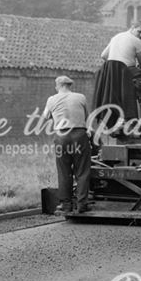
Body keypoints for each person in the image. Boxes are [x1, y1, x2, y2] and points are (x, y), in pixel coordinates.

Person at [41, 75, 92, 214]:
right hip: (80, 135)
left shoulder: (51, 99)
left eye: (55, 86)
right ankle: (82, 204)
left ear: (58, 86)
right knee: (82, 171)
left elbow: (45, 117)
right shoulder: (81, 97)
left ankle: (66, 205)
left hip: (62, 136)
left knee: (64, 171)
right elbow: (87, 117)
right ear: (69, 85)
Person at [93, 21, 141, 129]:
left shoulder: (116, 37)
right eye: (139, 32)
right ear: (132, 28)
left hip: (109, 71)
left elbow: (103, 55)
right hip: (125, 71)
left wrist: (114, 67)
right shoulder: (136, 41)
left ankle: (110, 118)